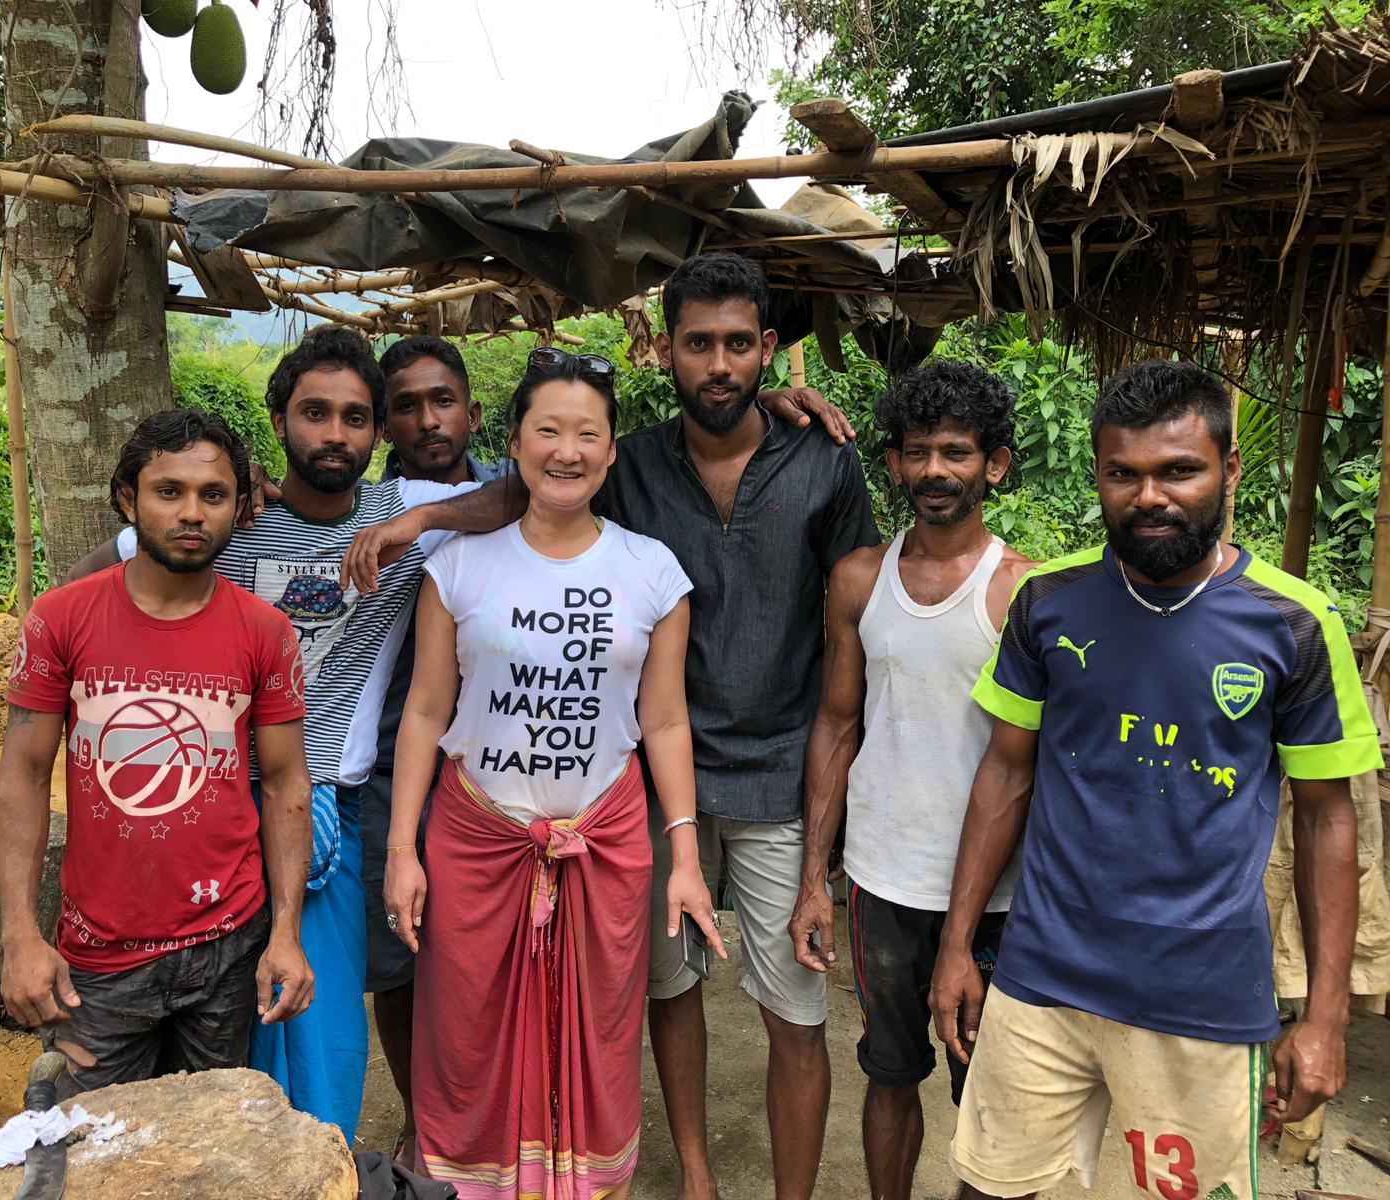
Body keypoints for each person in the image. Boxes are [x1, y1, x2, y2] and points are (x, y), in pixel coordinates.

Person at [343, 252, 880, 1200]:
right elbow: (521, 505)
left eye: (738, 344)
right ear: (665, 351)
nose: (719, 364)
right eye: (698, 344)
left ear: (768, 348)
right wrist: (421, 520)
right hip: (586, 807)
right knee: (645, 997)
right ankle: (684, 1176)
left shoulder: (817, 465)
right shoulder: (625, 471)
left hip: (757, 779)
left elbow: (849, 619)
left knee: (782, 1011)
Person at [929, 359, 1381, 1200]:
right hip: (1042, 977)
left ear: (1229, 470)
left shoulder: (1294, 625)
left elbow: (1328, 818)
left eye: (1179, 470)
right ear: (1098, 474)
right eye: (1123, 474)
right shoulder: (1048, 601)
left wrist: (1325, 1018)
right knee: (985, 1188)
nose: (1149, 497)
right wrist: (958, 945)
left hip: (1203, 999)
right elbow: (1005, 773)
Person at [78, 327, 481, 1140]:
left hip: (327, 803)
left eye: (356, 418)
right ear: (278, 421)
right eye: (314, 413)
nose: (335, 434)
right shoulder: (229, 515)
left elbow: (522, 495)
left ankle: (317, 1163)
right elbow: (94, 571)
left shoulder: (398, 514)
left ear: (379, 432)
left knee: (320, 1023)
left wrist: (419, 519)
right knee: (220, 1020)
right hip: (209, 806)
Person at [384, 349, 726, 1199]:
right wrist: (402, 851)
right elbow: (425, 711)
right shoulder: (458, 567)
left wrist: (685, 858)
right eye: (547, 431)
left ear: (611, 451)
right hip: (475, 843)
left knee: (600, 1041)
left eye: (587, 434)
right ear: (514, 443)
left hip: (605, 847)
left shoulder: (653, 571)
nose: (566, 452)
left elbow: (664, 721)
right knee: (463, 1036)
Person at [0, 409, 314, 1097]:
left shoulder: (267, 632)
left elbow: (286, 782)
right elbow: (23, 773)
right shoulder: (61, 618)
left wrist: (285, 932)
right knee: (90, 1138)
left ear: (239, 507)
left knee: (211, 1133)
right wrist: (19, 933)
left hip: (228, 944)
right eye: (169, 491)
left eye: (213, 494)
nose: (192, 512)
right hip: (100, 953)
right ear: (127, 499)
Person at [790, 361, 1033, 1200]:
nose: (935, 470)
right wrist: (815, 878)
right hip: (883, 882)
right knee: (889, 1073)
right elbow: (836, 725)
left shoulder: (1023, 591)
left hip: (997, 894)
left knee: (994, 1093)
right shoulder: (860, 578)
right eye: (917, 452)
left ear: (994, 465)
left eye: (956, 452)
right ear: (892, 464)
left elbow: (1030, 762)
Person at [366, 335, 509, 1164]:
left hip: (498, 777)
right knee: (400, 962)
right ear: (385, 423)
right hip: (393, 769)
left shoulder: (518, 486)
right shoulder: (363, 508)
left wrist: (423, 517)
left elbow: (532, 490)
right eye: (407, 406)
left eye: (443, 400)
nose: (428, 419)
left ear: (474, 412)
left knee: (487, 959)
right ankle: (423, 1122)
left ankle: (494, 1116)